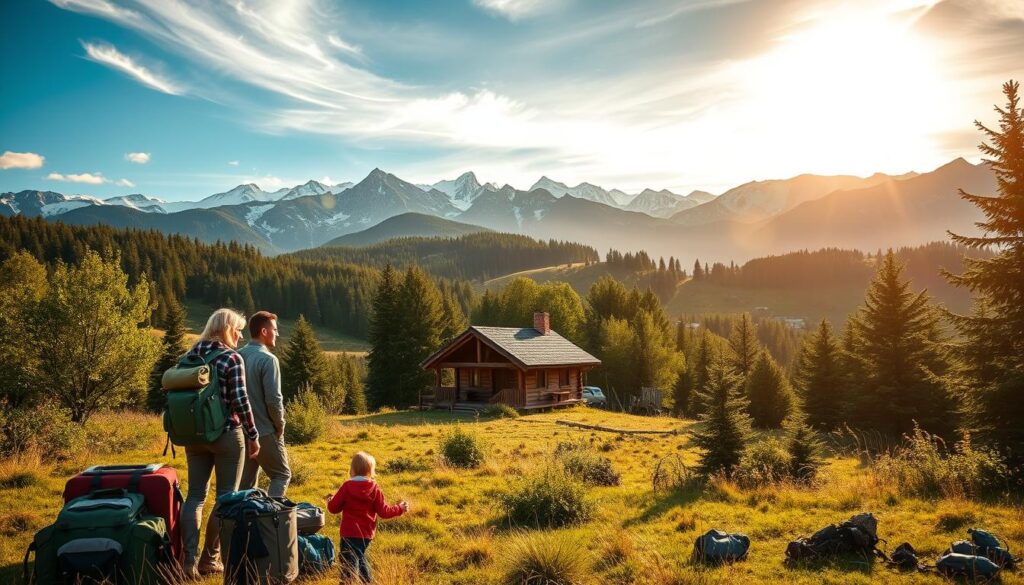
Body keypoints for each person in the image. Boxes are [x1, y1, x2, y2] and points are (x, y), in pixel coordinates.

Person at [181, 308, 261, 579]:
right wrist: (253, 435)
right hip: (226, 434)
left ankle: (188, 561)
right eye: (238, 330)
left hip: (194, 437)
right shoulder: (231, 358)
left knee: (195, 497)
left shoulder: (190, 356)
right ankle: (209, 560)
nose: (240, 335)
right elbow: (241, 400)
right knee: (226, 498)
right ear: (227, 329)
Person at [325, 452, 409, 583]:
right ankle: (366, 581)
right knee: (360, 557)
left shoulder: (347, 486)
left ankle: (349, 582)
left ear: (352, 470)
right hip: (366, 534)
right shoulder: (374, 488)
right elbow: (384, 511)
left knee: (348, 564)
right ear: (370, 471)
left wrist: (330, 501)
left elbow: (333, 508)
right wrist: (399, 508)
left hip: (349, 533)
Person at [238, 311, 291, 496]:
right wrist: (280, 426)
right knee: (281, 475)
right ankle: (272, 514)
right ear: (264, 331)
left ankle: (243, 515)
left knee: (245, 484)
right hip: (264, 430)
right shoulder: (268, 359)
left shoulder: (237, 356)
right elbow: (274, 400)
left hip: (240, 431)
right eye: (274, 330)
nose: (277, 334)